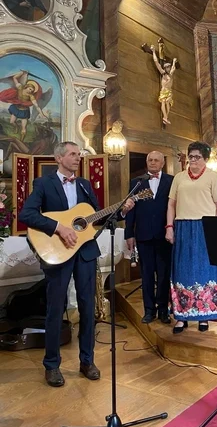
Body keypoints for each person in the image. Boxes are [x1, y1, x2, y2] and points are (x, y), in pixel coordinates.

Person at [19, 142, 134, 387]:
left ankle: (87, 361)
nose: (77, 158)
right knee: (55, 310)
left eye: (79, 154)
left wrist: (121, 212)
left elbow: (95, 218)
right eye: (73, 154)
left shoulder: (84, 184)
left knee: (87, 308)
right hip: (58, 255)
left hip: (85, 254)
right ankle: (51, 365)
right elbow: (26, 214)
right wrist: (59, 227)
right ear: (59, 157)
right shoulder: (43, 184)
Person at [166, 141, 217, 333]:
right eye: (191, 156)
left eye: (197, 157)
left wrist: (216, 228)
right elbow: (171, 205)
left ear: (206, 159)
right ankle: (181, 317)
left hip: (204, 227)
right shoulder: (179, 177)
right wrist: (169, 227)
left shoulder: (213, 177)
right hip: (183, 227)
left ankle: (204, 316)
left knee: (203, 271)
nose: (193, 160)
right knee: (182, 271)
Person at [125, 151, 173, 324]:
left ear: (162, 163)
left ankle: (163, 310)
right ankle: (148, 311)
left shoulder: (171, 181)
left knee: (163, 275)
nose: (153, 163)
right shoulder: (136, 182)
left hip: (164, 236)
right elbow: (130, 210)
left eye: (156, 160)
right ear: (147, 163)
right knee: (146, 275)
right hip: (143, 235)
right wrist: (129, 233)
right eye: (150, 160)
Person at [150, 40, 177, 125]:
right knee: (163, 102)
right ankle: (165, 117)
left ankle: (166, 117)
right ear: (165, 68)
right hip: (164, 90)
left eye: (169, 67)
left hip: (169, 91)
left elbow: (173, 68)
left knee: (168, 103)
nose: (169, 69)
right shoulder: (163, 74)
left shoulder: (171, 74)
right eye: (167, 67)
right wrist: (154, 51)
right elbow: (156, 62)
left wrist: (174, 62)